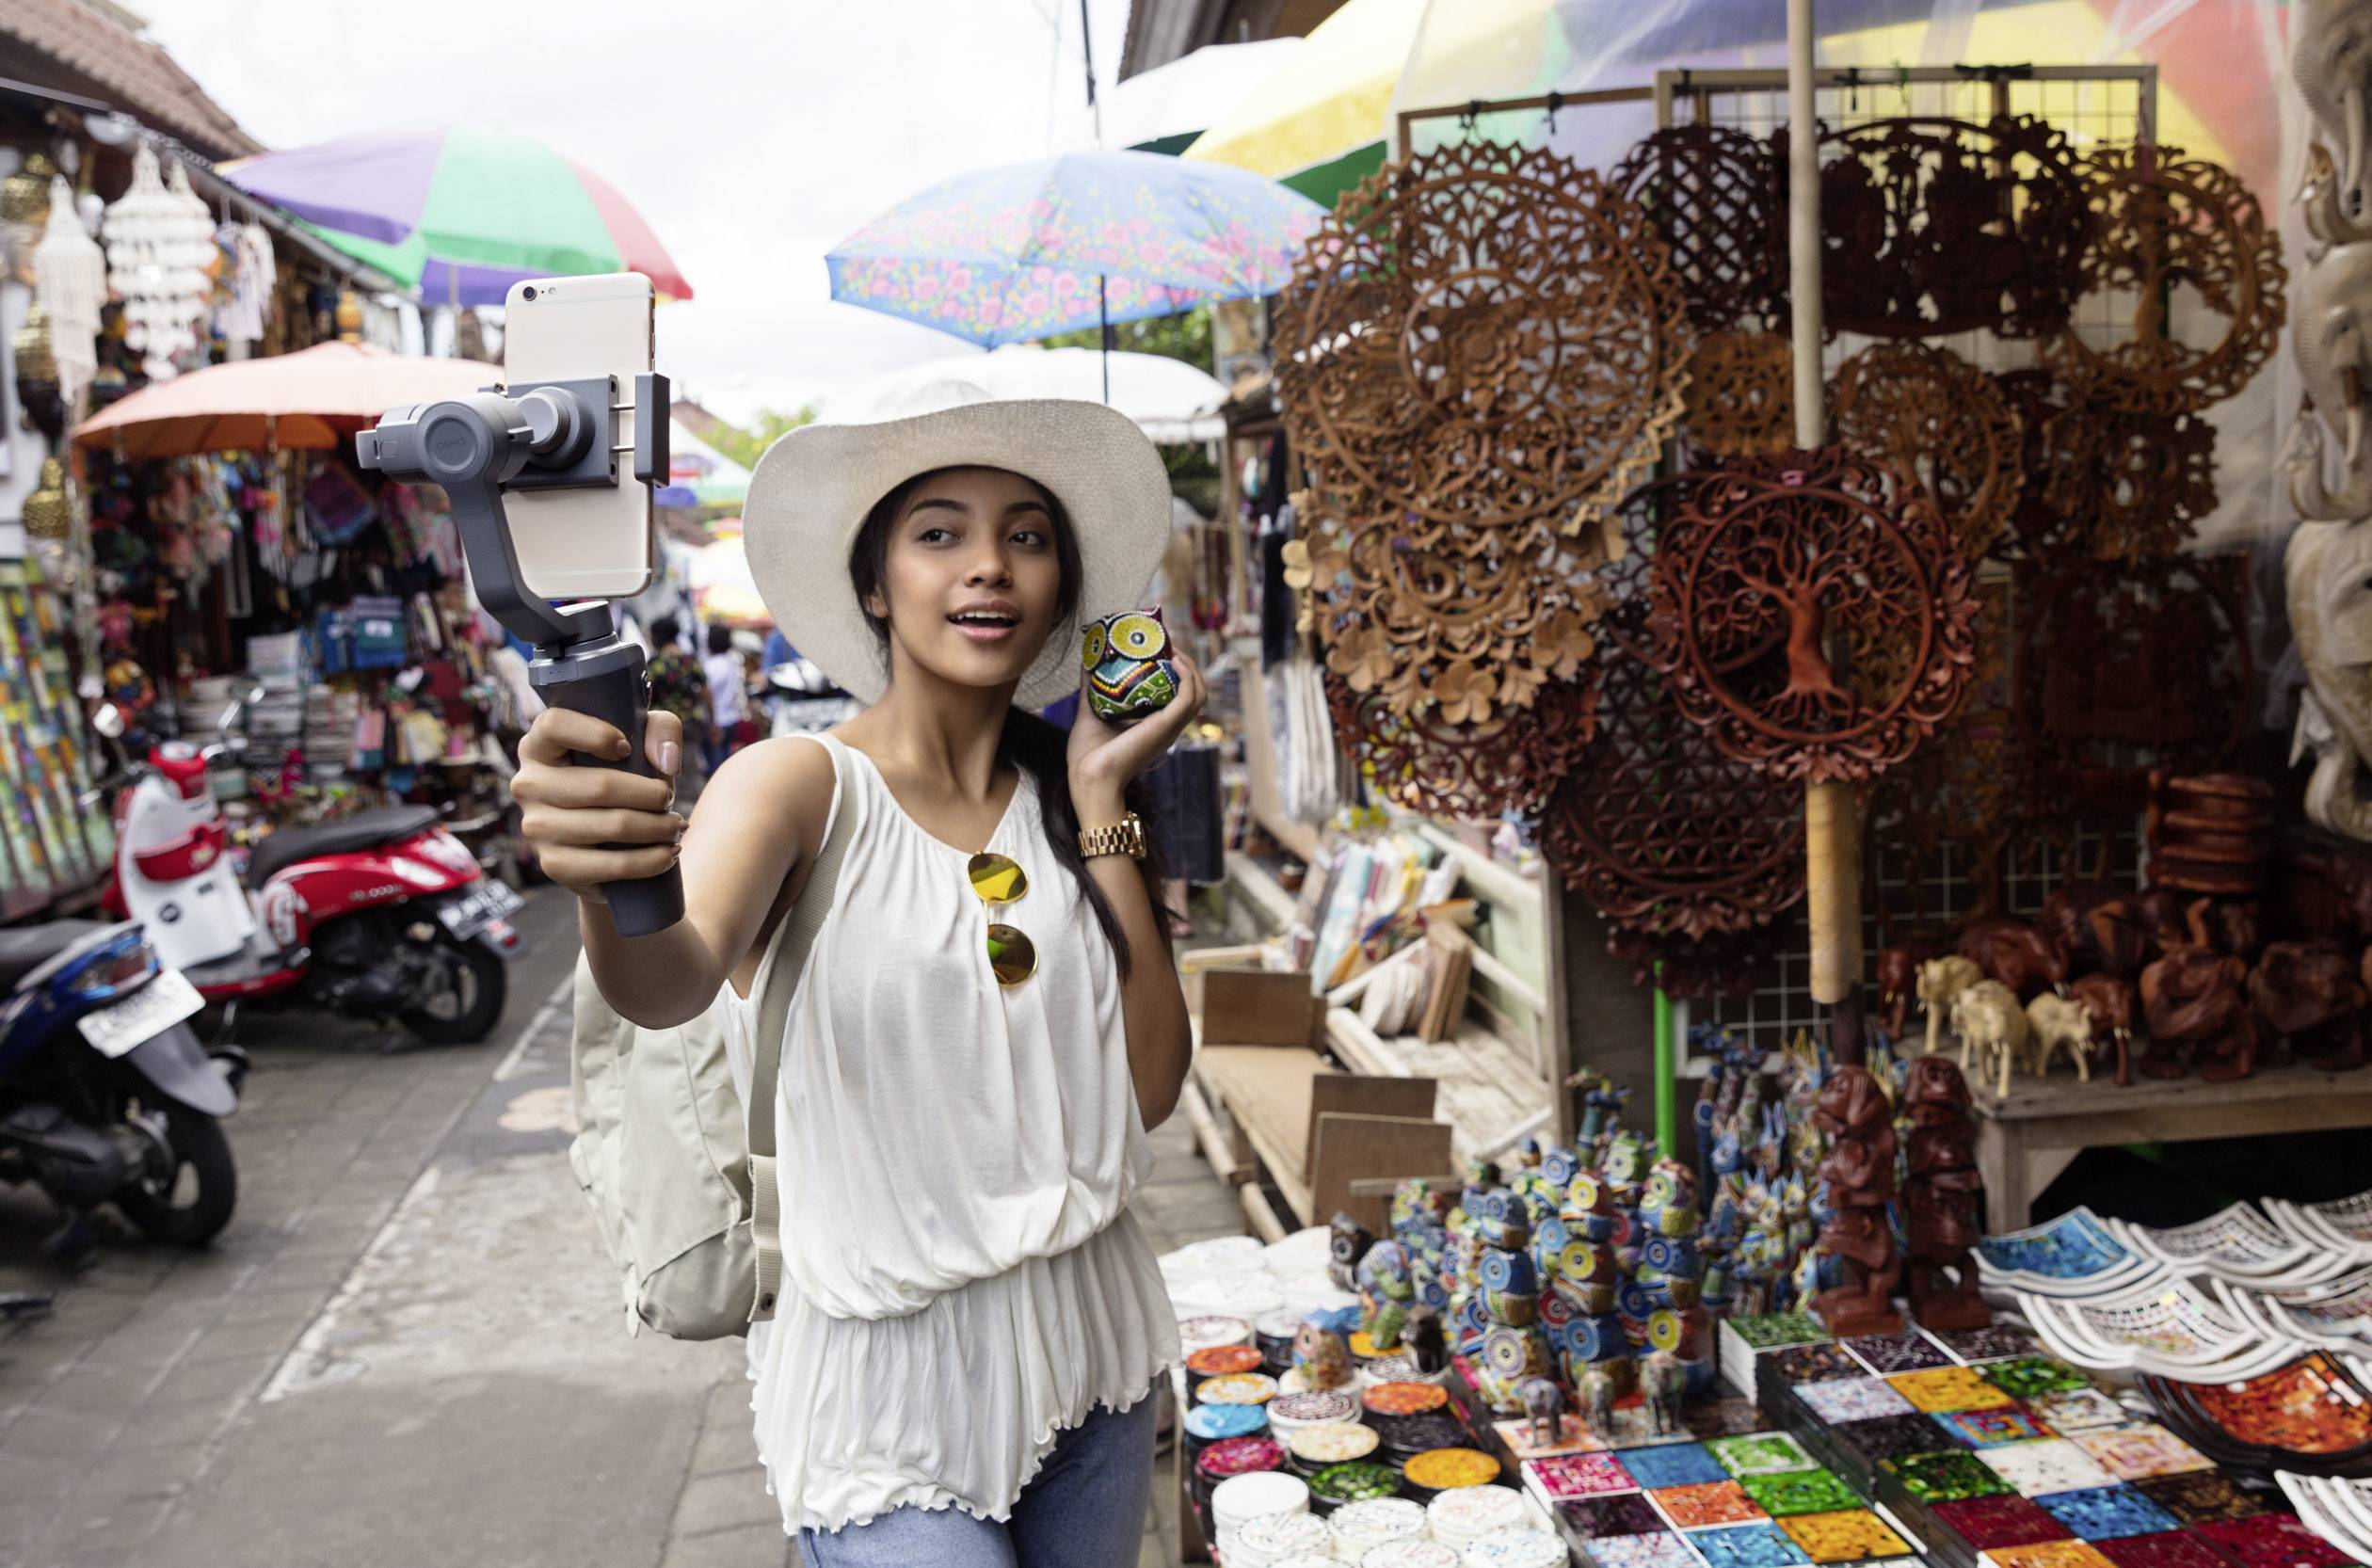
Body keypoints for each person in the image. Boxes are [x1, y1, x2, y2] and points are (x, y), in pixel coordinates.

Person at [510, 383, 1202, 1567]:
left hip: (1094, 1351)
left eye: (1025, 536)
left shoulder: (1079, 794)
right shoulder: (793, 787)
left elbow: (1146, 1088)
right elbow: (668, 981)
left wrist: (1100, 801)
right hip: (887, 1397)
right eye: (940, 533)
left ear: (1057, 593)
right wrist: (604, 879)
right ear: (876, 584)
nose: (987, 565)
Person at [643, 616, 709, 778]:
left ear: (657, 636)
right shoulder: (690, 660)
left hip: (665, 722)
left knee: (669, 770)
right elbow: (706, 691)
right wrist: (712, 720)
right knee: (692, 765)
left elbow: (646, 695)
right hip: (692, 721)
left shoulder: (656, 664)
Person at [701, 620, 749, 773]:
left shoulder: (710, 666)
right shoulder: (732, 662)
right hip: (731, 718)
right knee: (726, 762)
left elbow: (706, 693)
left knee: (717, 768)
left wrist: (712, 722)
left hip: (717, 721)